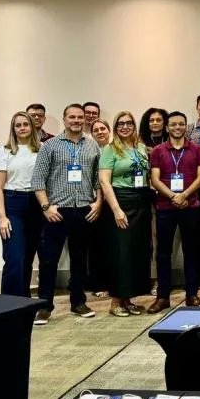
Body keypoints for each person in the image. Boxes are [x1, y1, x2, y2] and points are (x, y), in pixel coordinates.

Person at [31, 104, 103, 324]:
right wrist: (46, 207)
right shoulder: (50, 146)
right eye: (72, 117)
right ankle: (44, 305)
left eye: (80, 117)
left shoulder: (92, 146)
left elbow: (98, 179)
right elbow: (38, 180)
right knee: (49, 260)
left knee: (80, 259)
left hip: (83, 209)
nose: (76, 120)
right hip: (57, 211)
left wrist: (98, 203)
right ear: (64, 119)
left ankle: (78, 302)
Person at [149, 111, 200, 312]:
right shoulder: (158, 151)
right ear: (167, 127)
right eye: (173, 124)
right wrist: (173, 196)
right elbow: (155, 179)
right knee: (163, 253)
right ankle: (163, 296)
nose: (177, 127)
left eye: (181, 124)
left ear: (185, 127)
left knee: (192, 251)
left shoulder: (197, 150)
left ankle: (192, 295)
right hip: (165, 207)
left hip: (190, 207)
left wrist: (184, 195)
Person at [98, 111, 152, 316]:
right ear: (115, 127)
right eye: (120, 124)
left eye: (129, 123)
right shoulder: (110, 150)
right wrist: (116, 209)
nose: (125, 127)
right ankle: (115, 301)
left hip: (141, 202)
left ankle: (128, 299)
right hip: (121, 202)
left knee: (136, 253)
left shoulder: (140, 147)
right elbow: (104, 181)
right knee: (120, 252)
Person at [0, 112, 42, 297]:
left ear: (32, 127)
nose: (22, 128)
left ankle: (24, 301)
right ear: (13, 129)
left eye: (25, 124)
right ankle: (9, 303)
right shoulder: (4, 151)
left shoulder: (42, 149)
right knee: (14, 257)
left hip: (36, 204)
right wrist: (2, 216)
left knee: (28, 257)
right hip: (12, 203)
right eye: (18, 125)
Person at [87, 119, 113, 297]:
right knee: (94, 245)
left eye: (103, 128)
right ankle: (97, 284)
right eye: (95, 130)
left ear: (109, 131)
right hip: (93, 203)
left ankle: (113, 283)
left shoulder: (114, 149)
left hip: (113, 203)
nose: (100, 132)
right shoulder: (88, 151)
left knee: (111, 246)